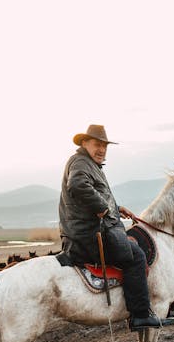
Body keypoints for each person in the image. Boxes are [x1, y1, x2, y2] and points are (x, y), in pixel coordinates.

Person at [59, 124, 162, 331]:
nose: (102, 150)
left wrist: (117, 208)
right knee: (137, 256)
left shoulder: (90, 165)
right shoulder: (80, 162)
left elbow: (96, 192)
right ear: (84, 143)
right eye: (97, 144)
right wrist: (103, 208)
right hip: (87, 236)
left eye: (105, 146)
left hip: (86, 232)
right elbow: (78, 186)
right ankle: (140, 315)